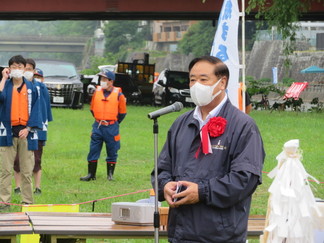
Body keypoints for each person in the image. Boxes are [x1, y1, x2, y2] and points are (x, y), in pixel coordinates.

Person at [152, 56, 265, 243]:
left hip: (221, 234)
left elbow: (246, 178)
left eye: (203, 80)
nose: (196, 85)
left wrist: (203, 192)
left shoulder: (243, 125)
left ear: (222, 83)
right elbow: (162, 168)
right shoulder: (181, 123)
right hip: (180, 232)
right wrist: (165, 186)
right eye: (192, 79)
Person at [0, 55, 42, 210]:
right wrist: (3, 79)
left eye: (20, 67)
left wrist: (29, 128)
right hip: (7, 132)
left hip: (26, 132)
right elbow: (0, 97)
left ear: (25, 69)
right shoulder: (6, 86)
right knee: (5, 170)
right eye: (13, 66)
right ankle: (4, 202)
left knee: (26, 169)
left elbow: (37, 110)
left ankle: (27, 202)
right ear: (9, 69)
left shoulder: (32, 88)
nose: (17, 70)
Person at [13, 60, 53, 195]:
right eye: (26, 69)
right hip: (21, 127)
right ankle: (18, 187)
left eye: (30, 69)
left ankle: (37, 187)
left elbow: (46, 109)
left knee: (36, 159)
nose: (28, 72)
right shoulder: (18, 85)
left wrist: (43, 126)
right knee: (18, 159)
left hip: (37, 128)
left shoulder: (41, 88)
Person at [80, 70, 127, 181]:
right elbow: (92, 108)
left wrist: (113, 122)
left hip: (111, 127)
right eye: (101, 79)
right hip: (98, 125)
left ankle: (110, 175)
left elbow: (122, 113)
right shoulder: (97, 92)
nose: (102, 81)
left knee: (112, 150)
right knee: (93, 149)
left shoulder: (119, 95)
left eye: (105, 79)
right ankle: (91, 174)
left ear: (111, 81)